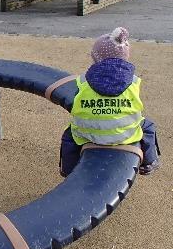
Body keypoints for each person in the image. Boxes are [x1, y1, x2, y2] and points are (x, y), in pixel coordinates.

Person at [59, 27, 160, 177]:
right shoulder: (133, 81)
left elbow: (76, 100)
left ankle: (67, 169)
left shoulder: (83, 80)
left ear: (95, 57)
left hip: (88, 134)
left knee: (69, 135)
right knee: (148, 127)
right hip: (125, 135)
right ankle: (149, 163)